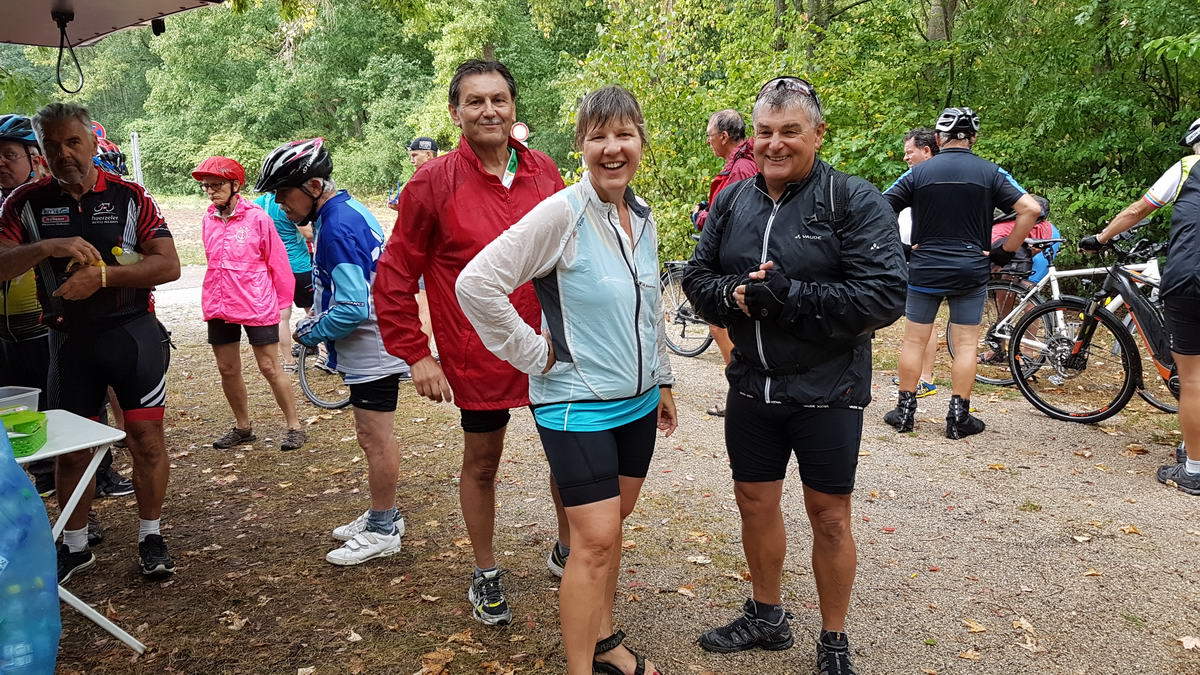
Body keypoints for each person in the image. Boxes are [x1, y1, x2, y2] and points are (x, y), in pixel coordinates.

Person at [682, 77, 906, 675]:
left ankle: (833, 637)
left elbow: (885, 295)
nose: (774, 144)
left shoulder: (852, 200)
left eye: (789, 131)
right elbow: (696, 277)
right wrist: (734, 294)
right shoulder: (734, 199)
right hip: (752, 382)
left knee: (828, 516)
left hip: (827, 387)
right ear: (751, 137)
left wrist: (792, 297)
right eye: (764, 132)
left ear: (818, 134)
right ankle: (766, 615)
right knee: (755, 503)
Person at [458, 85, 675, 675]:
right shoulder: (562, 213)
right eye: (598, 136)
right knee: (595, 539)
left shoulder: (643, 217)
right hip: (576, 404)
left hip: (637, 403)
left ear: (641, 142)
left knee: (609, 531)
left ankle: (605, 644)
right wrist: (534, 354)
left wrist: (663, 379)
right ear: (580, 144)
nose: (612, 148)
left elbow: (649, 308)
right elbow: (476, 283)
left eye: (624, 134)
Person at [374, 59, 570, 626]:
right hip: (476, 353)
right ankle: (485, 571)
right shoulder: (432, 182)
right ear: (455, 112)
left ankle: (568, 550)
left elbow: (572, 255)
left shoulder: (544, 171)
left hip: (550, 349)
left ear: (513, 106)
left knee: (568, 457)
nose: (489, 111)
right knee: (482, 464)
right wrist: (416, 353)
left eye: (499, 99)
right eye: (475, 101)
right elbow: (394, 273)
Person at [0, 102, 180, 581]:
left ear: (93, 143)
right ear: (41, 151)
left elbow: (168, 265)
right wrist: (47, 247)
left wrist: (103, 277)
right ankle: (76, 545)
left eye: (73, 142)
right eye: (53, 144)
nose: (64, 153)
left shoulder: (130, 196)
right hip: (68, 341)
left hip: (132, 335)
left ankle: (151, 535)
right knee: (73, 449)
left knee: (146, 439)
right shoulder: (24, 203)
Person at [256, 137, 411, 564]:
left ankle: (383, 528)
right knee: (372, 436)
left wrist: (311, 331)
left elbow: (352, 307)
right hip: (376, 341)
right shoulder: (346, 210)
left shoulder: (336, 225)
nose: (279, 204)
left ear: (313, 185)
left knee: (375, 438)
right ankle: (384, 514)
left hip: (372, 346)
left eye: (283, 193)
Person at [882, 107, 1041, 438]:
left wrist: (902, 248)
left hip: (925, 266)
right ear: (974, 138)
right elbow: (1031, 209)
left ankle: (905, 413)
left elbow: (880, 207)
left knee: (914, 340)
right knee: (967, 344)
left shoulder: (919, 173)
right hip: (971, 267)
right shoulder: (991, 172)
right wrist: (1004, 251)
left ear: (938, 139)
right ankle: (958, 418)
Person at [1081, 117, 1200, 495]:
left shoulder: (1187, 167)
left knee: (1193, 378)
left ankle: (1194, 469)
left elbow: (1138, 210)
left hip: (1190, 277)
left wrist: (1101, 237)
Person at [192, 156, 305, 451]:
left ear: (235, 185)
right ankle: (243, 427)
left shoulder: (258, 218)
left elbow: (278, 263)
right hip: (219, 304)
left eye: (217, 185)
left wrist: (283, 303)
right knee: (227, 368)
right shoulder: (208, 219)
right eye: (206, 186)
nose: (211, 191)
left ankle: (294, 426)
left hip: (257, 303)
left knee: (269, 366)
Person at [694, 109, 758, 416]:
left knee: (721, 323)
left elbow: (730, 216)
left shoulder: (740, 168)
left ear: (723, 136)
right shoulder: (746, 162)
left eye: (709, 136)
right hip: (744, 255)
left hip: (736, 258)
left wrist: (700, 217)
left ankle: (741, 392)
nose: (708, 141)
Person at [893, 127, 941, 397]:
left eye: (909, 152)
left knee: (924, 323)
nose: (906, 158)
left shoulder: (926, 178)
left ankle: (925, 378)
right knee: (918, 324)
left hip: (924, 259)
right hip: (912, 255)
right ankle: (916, 376)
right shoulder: (917, 178)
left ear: (926, 150)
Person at [252, 192, 314, 370]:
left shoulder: (258, 204)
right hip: (299, 265)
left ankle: (289, 362)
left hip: (275, 266)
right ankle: (324, 356)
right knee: (313, 310)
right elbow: (308, 234)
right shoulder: (289, 203)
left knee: (282, 317)